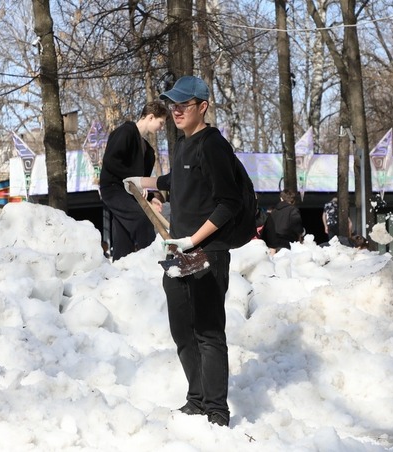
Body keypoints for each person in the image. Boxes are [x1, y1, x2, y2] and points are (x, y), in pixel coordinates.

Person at [123, 75, 239, 427]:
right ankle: (197, 399)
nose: (175, 110)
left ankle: (217, 411)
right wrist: (140, 182)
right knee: (182, 330)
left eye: (183, 104)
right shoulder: (185, 145)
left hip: (208, 252)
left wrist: (193, 239)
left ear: (202, 107)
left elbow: (228, 203)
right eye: (172, 104)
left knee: (208, 331)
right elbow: (176, 181)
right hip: (180, 254)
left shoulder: (213, 145)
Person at [98, 101, 168, 261]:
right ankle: (155, 262)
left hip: (129, 195)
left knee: (123, 237)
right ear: (151, 117)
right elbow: (111, 161)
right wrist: (134, 181)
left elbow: (140, 183)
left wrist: (152, 198)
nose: (161, 128)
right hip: (113, 189)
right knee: (143, 220)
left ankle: (122, 269)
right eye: (161, 123)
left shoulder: (148, 151)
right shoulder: (125, 132)